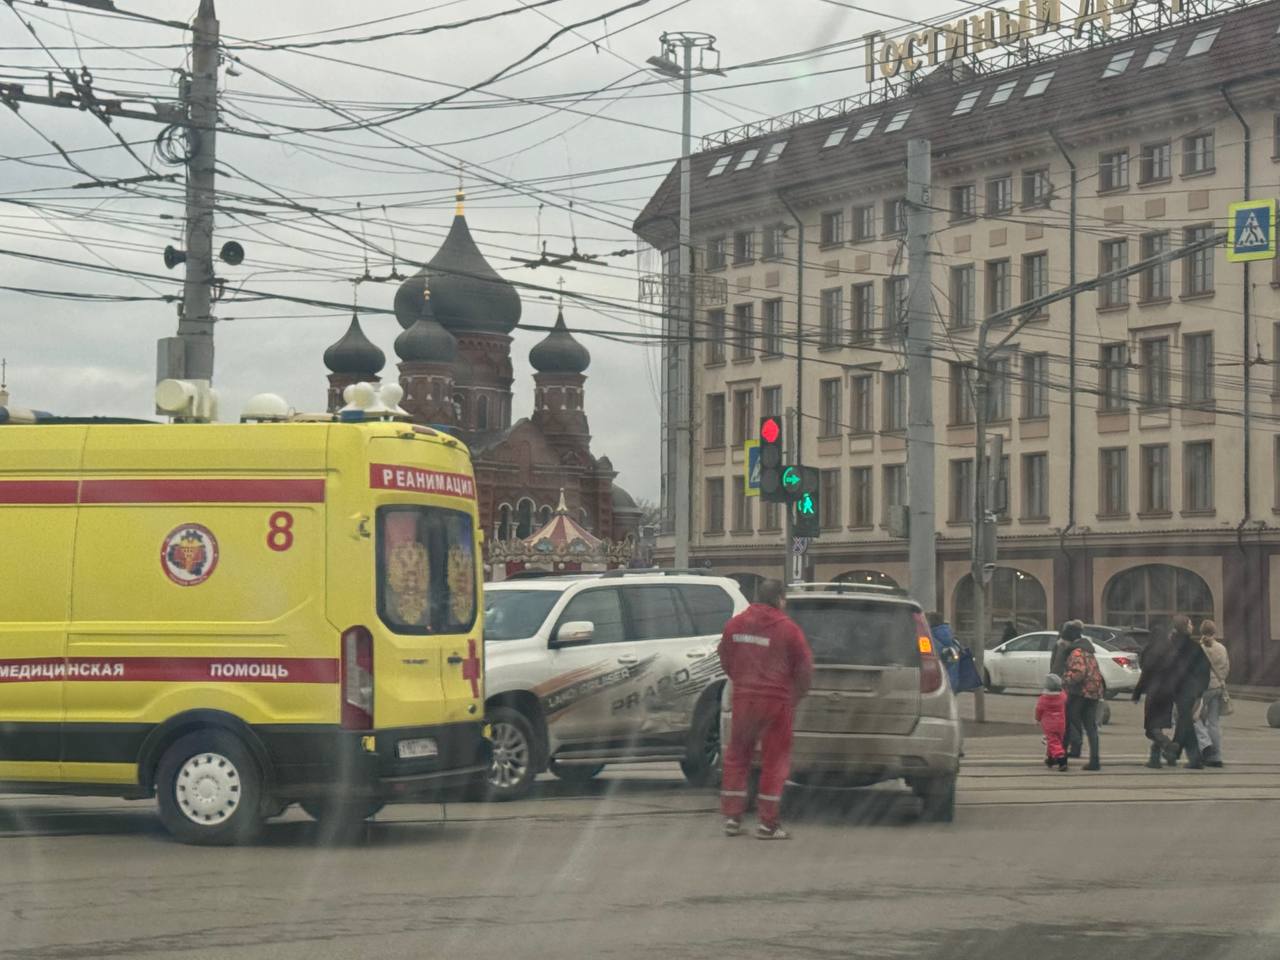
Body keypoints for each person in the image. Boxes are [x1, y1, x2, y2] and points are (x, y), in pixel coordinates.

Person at [717, 578, 813, 840]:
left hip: (744, 699)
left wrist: (741, 679)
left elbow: (724, 656)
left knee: (737, 756)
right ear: (780, 599)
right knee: (774, 760)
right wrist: (795, 695)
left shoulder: (735, 624)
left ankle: (733, 818)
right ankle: (768, 824)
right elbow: (804, 668)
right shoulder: (788, 629)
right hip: (775, 701)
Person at [1132, 621, 1180, 768]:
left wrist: (1137, 692)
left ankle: (1169, 746)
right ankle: (1156, 759)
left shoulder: (1151, 650)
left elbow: (1146, 673)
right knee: (1158, 726)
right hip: (1169, 693)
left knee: (1151, 729)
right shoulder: (1172, 650)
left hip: (1155, 692)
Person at [1168, 615, 1211, 769]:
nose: (1193, 626)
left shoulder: (1171, 645)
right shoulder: (1193, 647)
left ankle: (1175, 751)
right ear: (1185, 627)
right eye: (1191, 623)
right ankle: (1192, 757)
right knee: (1185, 719)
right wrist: (1200, 690)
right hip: (1190, 689)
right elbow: (1205, 669)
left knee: (1184, 718)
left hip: (1176, 688)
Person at [1062, 624, 1104, 770]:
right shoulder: (1089, 651)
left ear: (1069, 640)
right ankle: (1095, 760)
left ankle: (1062, 754)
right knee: (1091, 727)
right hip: (1094, 692)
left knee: (1068, 719)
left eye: (1065, 640)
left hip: (1080, 692)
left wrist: (1065, 678)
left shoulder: (1076, 653)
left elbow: (1079, 672)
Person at [1194, 620, 1230, 768]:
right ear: (1214, 632)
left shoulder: (1200, 648)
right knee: (1214, 722)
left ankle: (1205, 745)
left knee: (1193, 717)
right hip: (1218, 687)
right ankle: (1216, 756)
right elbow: (1227, 668)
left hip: (1203, 688)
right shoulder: (1222, 648)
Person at [1035, 674, 1068, 771]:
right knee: (1056, 741)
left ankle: (1061, 759)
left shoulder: (1043, 699)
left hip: (1049, 725)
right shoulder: (1062, 696)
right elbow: (1065, 695)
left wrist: (1037, 719)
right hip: (1061, 723)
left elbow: (1039, 710)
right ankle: (1050, 758)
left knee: (1053, 742)